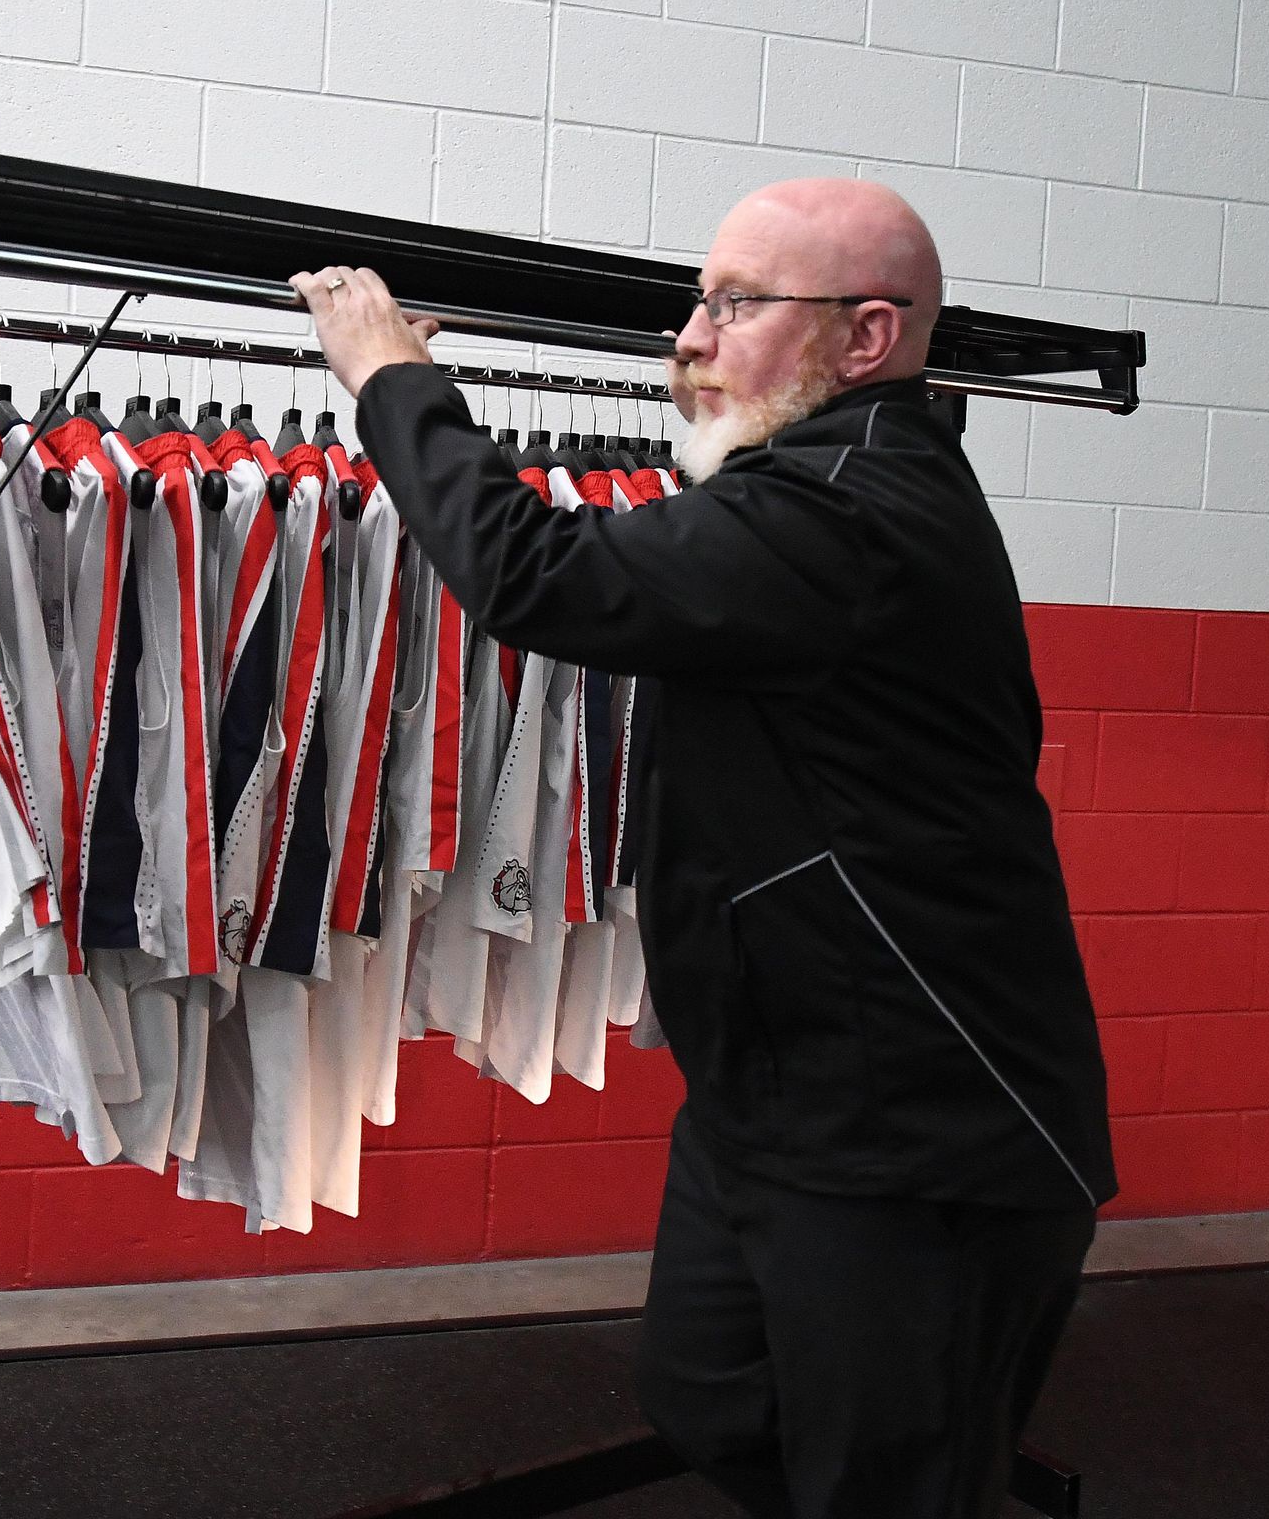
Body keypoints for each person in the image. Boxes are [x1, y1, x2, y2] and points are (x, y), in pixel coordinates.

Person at [294, 178, 1117, 1519]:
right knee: (709, 1397)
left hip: (922, 1125)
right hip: (785, 1089)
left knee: (888, 1487)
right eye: (699, 298)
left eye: (735, 305)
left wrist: (390, 378)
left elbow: (538, 577)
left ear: (864, 341)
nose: (687, 337)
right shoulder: (824, 484)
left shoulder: (845, 511)